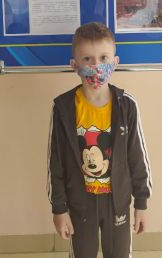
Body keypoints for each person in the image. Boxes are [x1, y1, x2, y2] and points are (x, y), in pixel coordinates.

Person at [47, 22, 152, 257]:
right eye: (87, 59)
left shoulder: (127, 106)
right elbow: (55, 163)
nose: (96, 66)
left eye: (104, 58)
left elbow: (138, 157)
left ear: (115, 62)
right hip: (80, 204)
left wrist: (141, 203)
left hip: (117, 202)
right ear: (74, 65)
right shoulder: (63, 108)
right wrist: (59, 209)